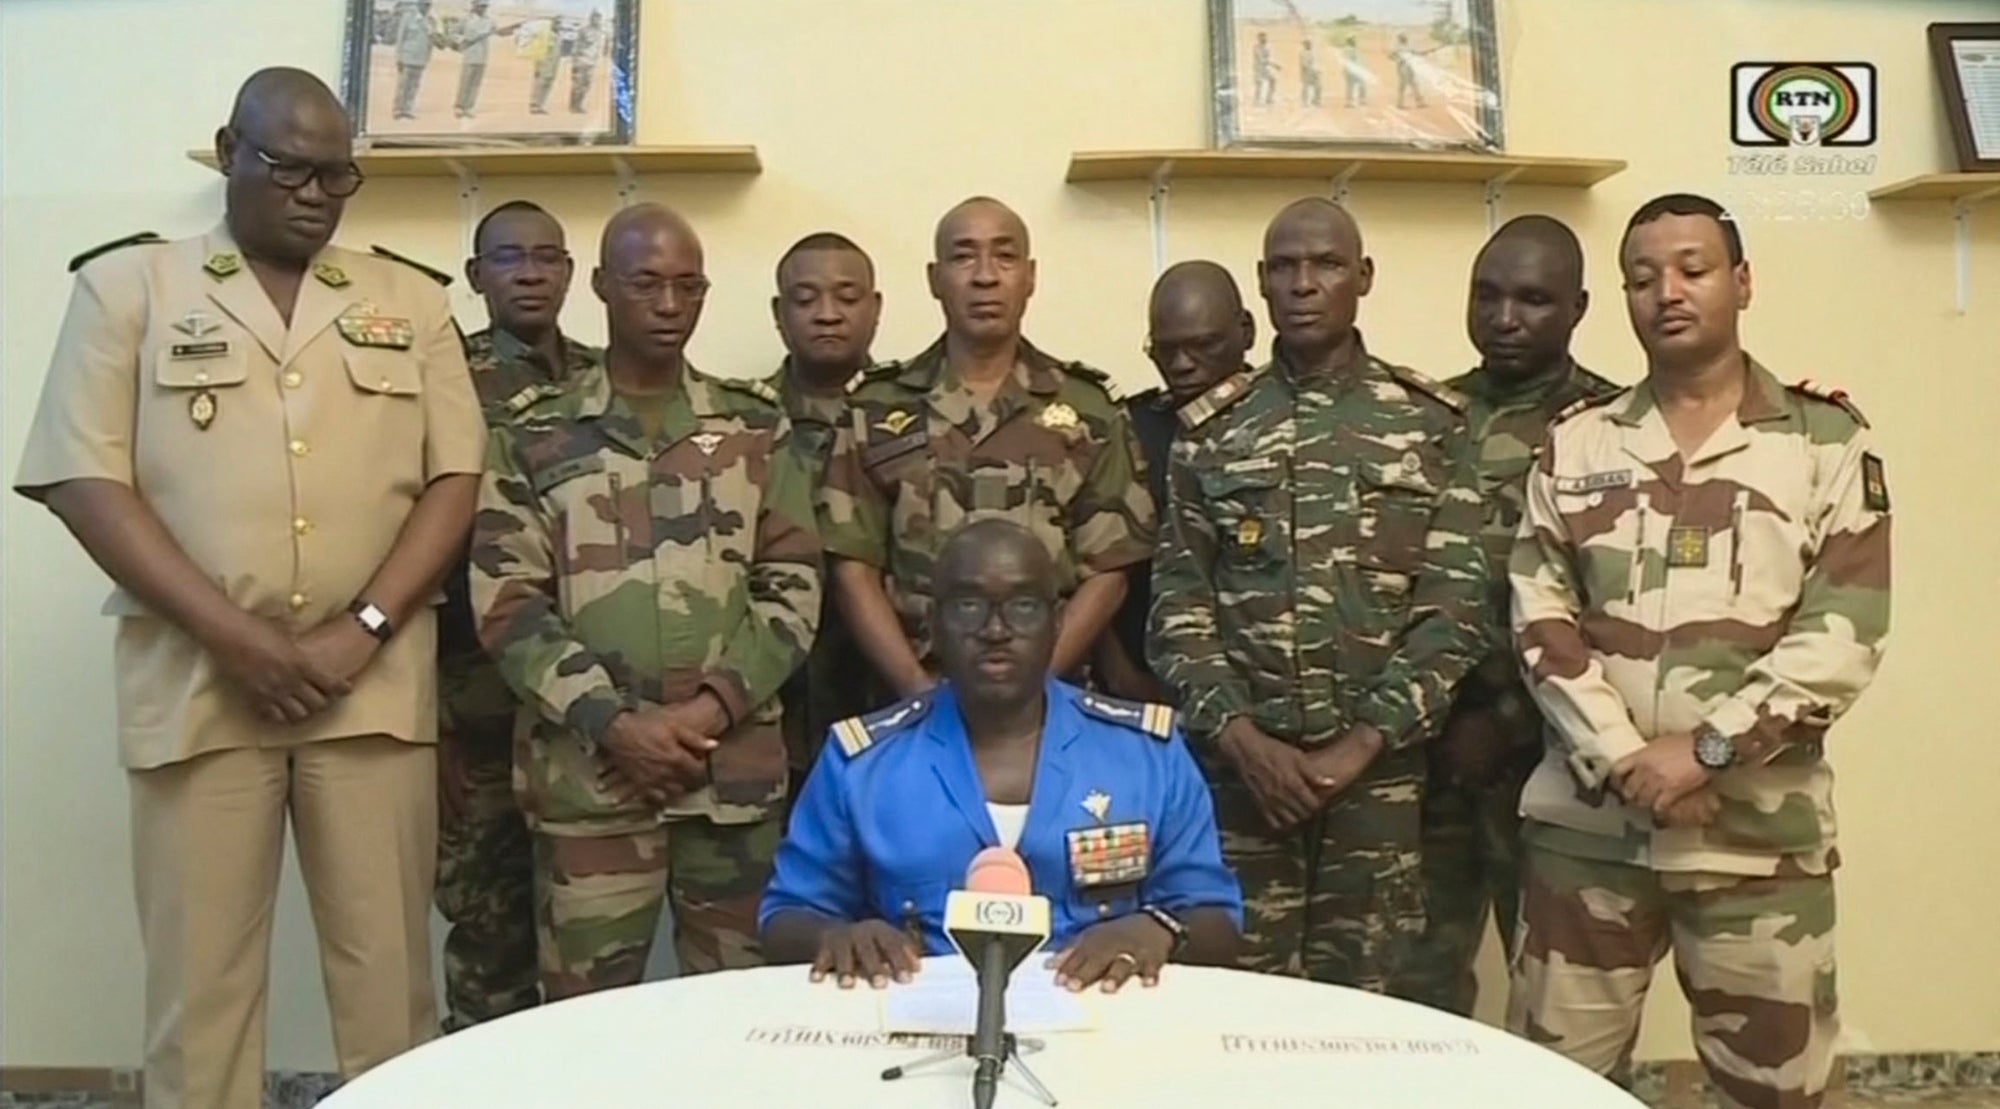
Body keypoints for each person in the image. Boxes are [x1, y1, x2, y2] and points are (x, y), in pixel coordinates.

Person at [13, 68, 484, 1109]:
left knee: (389, 990)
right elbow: (81, 477)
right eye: (289, 168)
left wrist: (360, 629)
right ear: (229, 149)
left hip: (369, 688)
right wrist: (240, 639)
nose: (316, 194)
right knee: (202, 994)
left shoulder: (409, 299)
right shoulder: (127, 288)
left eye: (338, 176)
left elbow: (456, 478)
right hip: (198, 684)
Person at [1507, 194, 1891, 1109]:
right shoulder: (1576, 440)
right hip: (1589, 834)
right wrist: (1625, 756)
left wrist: (1707, 748)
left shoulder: (1823, 442)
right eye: (1642, 278)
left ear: (1742, 282)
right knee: (1549, 1091)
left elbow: (1845, 629)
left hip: (1756, 839)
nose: (1666, 292)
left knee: (1777, 1097)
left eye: (1692, 269)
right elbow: (1539, 613)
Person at [470, 202, 821, 999]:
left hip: (728, 784)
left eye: (687, 286)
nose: (669, 306)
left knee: (743, 1016)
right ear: (599, 286)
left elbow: (794, 583)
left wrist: (705, 713)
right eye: (646, 284)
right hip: (590, 782)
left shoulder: (754, 427)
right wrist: (616, 724)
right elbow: (507, 600)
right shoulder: (532, 434)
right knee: (583, 1026)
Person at [1149, 198, 1489, 994]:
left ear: (1362, 277)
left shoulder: (1431, 424)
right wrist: (1244, 742)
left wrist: (1360, 745)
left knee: (1372, 1014)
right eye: (1284, 268)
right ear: (1261, 286)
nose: (1305, 284)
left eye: (1326, 265)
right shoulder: (1213, 430)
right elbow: (1177, 608)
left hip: (1381, 784)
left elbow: (1457, 605)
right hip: (1242, 785)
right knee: (1231, 1000)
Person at [762, 519, 1243, 991]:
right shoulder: (862, 763)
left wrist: (1157, 929)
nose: (996, 629)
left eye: (1024, 606)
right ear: (934, 623)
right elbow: (784, 917)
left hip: (1102, 1029)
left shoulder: (1146, 754)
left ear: (1057, 622)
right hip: (917, 1026)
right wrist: (835, 935)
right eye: (969, 605)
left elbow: (1217, 919)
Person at [1388, 216, 1619, 1017]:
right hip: (1431, 753)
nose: (1505, 318)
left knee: (1564, 992)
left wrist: (1511, 719)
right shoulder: (1428, 417)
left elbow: (1621, 612)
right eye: (1487, 296)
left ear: (1579, 307)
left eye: (1533, 299)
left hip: (1557, 760)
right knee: (1415, 983)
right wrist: (1440, 718)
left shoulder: (1615, 431)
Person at [819, 196, 1155, 707]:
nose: (984, 277)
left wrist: (1032, 688)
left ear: (1030, 276)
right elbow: (852, 568)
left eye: (1004, 257)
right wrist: (916, 690)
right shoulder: (875, 408)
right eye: (963, 257)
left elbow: (1109, 570)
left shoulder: (1089, 410)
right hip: (910, 702)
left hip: (1052, 704)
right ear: (935, 279)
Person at [432, 200, 597, 1032]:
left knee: (587, 940)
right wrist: (430, 722)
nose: (530, 273)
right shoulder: (440, 378)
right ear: (476, 276)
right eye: (508, 259)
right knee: (491, 938)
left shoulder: (613, 376)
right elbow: (407, 543)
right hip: (481, 711)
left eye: (546, 257)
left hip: (591, 709)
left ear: (571, 272)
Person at [1095, 261, 1255, 705]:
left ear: (1246, 331)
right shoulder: (1132, 430)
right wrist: (1122, 677)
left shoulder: (1292, 424)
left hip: (1267, 694)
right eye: (1166, 350)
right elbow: (1091, 565)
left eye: (1203, 345)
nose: (1183, 365)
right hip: (1146, 689)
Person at [763, 232, 884, 779]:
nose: (828, 314)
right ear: (778, 313)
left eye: (847, 297)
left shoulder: (919, 417)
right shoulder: (739, 424)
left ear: (876, 309)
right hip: (772, 704)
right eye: (806, 299)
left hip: (892, 690)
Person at [452, 1, 518, 120]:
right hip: (470, 55)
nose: (483, 9)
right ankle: (459, 106)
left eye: (485, 6)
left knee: (475, 84)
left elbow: (498, 32)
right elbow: (454, 33)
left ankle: (469, 107)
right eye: (481, 6)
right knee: (465, 82)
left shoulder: (489, 20)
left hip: (483, 56)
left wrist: (512, 30)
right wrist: (462, 40)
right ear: (474, 6)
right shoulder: (466, 19)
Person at [393, 0, 437, 120]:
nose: (426, 7)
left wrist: (428, 57)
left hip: (421, 58)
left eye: (428, 5)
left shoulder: (430, 21)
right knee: (403, 85)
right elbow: (400, 38)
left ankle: (408, 109)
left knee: (414, 86)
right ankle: (398, 109)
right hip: (407, 57)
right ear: (419, 5)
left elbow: (431, 42)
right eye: (424, 4)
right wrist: (399, 57)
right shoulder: (408, 18)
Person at [569, 10, 609, 115]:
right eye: (595, 18)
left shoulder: (601, 32)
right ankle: (574, 105)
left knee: (587, 84)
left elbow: (602, 47)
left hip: (592, 62)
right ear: (591, 19)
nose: (598, 20)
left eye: (599, 18)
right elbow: (576, 46)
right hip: (581, 60)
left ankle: (579, 103)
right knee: (578, 84)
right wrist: (575, 60)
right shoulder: (584, 30)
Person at [527, 18, 562, 115]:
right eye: (557, 23)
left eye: (560, 24)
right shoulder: (544, 35)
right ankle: (534, 105)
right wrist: (537, 66)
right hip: (544, 65)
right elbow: (538, 50)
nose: (558, 26)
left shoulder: (558, 36)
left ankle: (541, 105)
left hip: (553, 65)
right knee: (539, 85)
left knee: (547, 85)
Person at [1253, 31, 1278, 107]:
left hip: (1267, 68)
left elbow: (1269, 57)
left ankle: (1269, 99)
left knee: (1273, 81)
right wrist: (1274, 64)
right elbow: (1262, 60)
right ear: (1259, 38)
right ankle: (1257, 100)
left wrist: (1272, 64)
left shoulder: (1268, 46)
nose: (1264, 39)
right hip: (1259, 68)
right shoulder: (1256, 48)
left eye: (1265, 37)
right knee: (1259, 85)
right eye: (1262, 37)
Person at [1299, 37, 1323, 108]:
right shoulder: (1302, 53)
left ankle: (1316, 100)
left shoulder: (1314, 52)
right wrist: (1314, 69)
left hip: (1314, 72)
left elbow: (1316, 62)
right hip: (1306, 73)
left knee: (1319, 86)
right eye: (1307, 43)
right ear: (1304, 45)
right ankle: (1304, 102)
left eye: (1310, 43)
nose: (1309, 45)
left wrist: (1319, 69)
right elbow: (1304, 64)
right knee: (1305, 88)